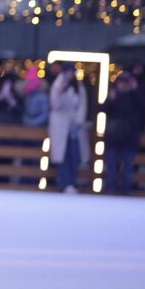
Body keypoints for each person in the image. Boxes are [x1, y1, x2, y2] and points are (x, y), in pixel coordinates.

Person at [102, 71, 144, 195]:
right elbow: (103, 109)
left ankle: (126, 191)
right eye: (122, 82)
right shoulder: (114, 95)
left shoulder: (135, 97)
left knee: (128, 167)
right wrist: (111, 99)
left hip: (130, 138)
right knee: (111, 167)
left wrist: (135, 90)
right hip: (114, 138)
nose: (124, 85)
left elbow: (144, 108)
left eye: (126, 82)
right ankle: (111, 189)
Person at [49, 65, 88, 193]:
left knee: (74, 155)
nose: (71, 74)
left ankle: (72, 181)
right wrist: (61, 89)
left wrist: (78, 121)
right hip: (61, 125)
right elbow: (55, 103)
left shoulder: (79, 86)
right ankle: (65, 183)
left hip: (74, 127)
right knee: (62, 155)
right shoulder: (58, 84)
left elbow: (82, 105)